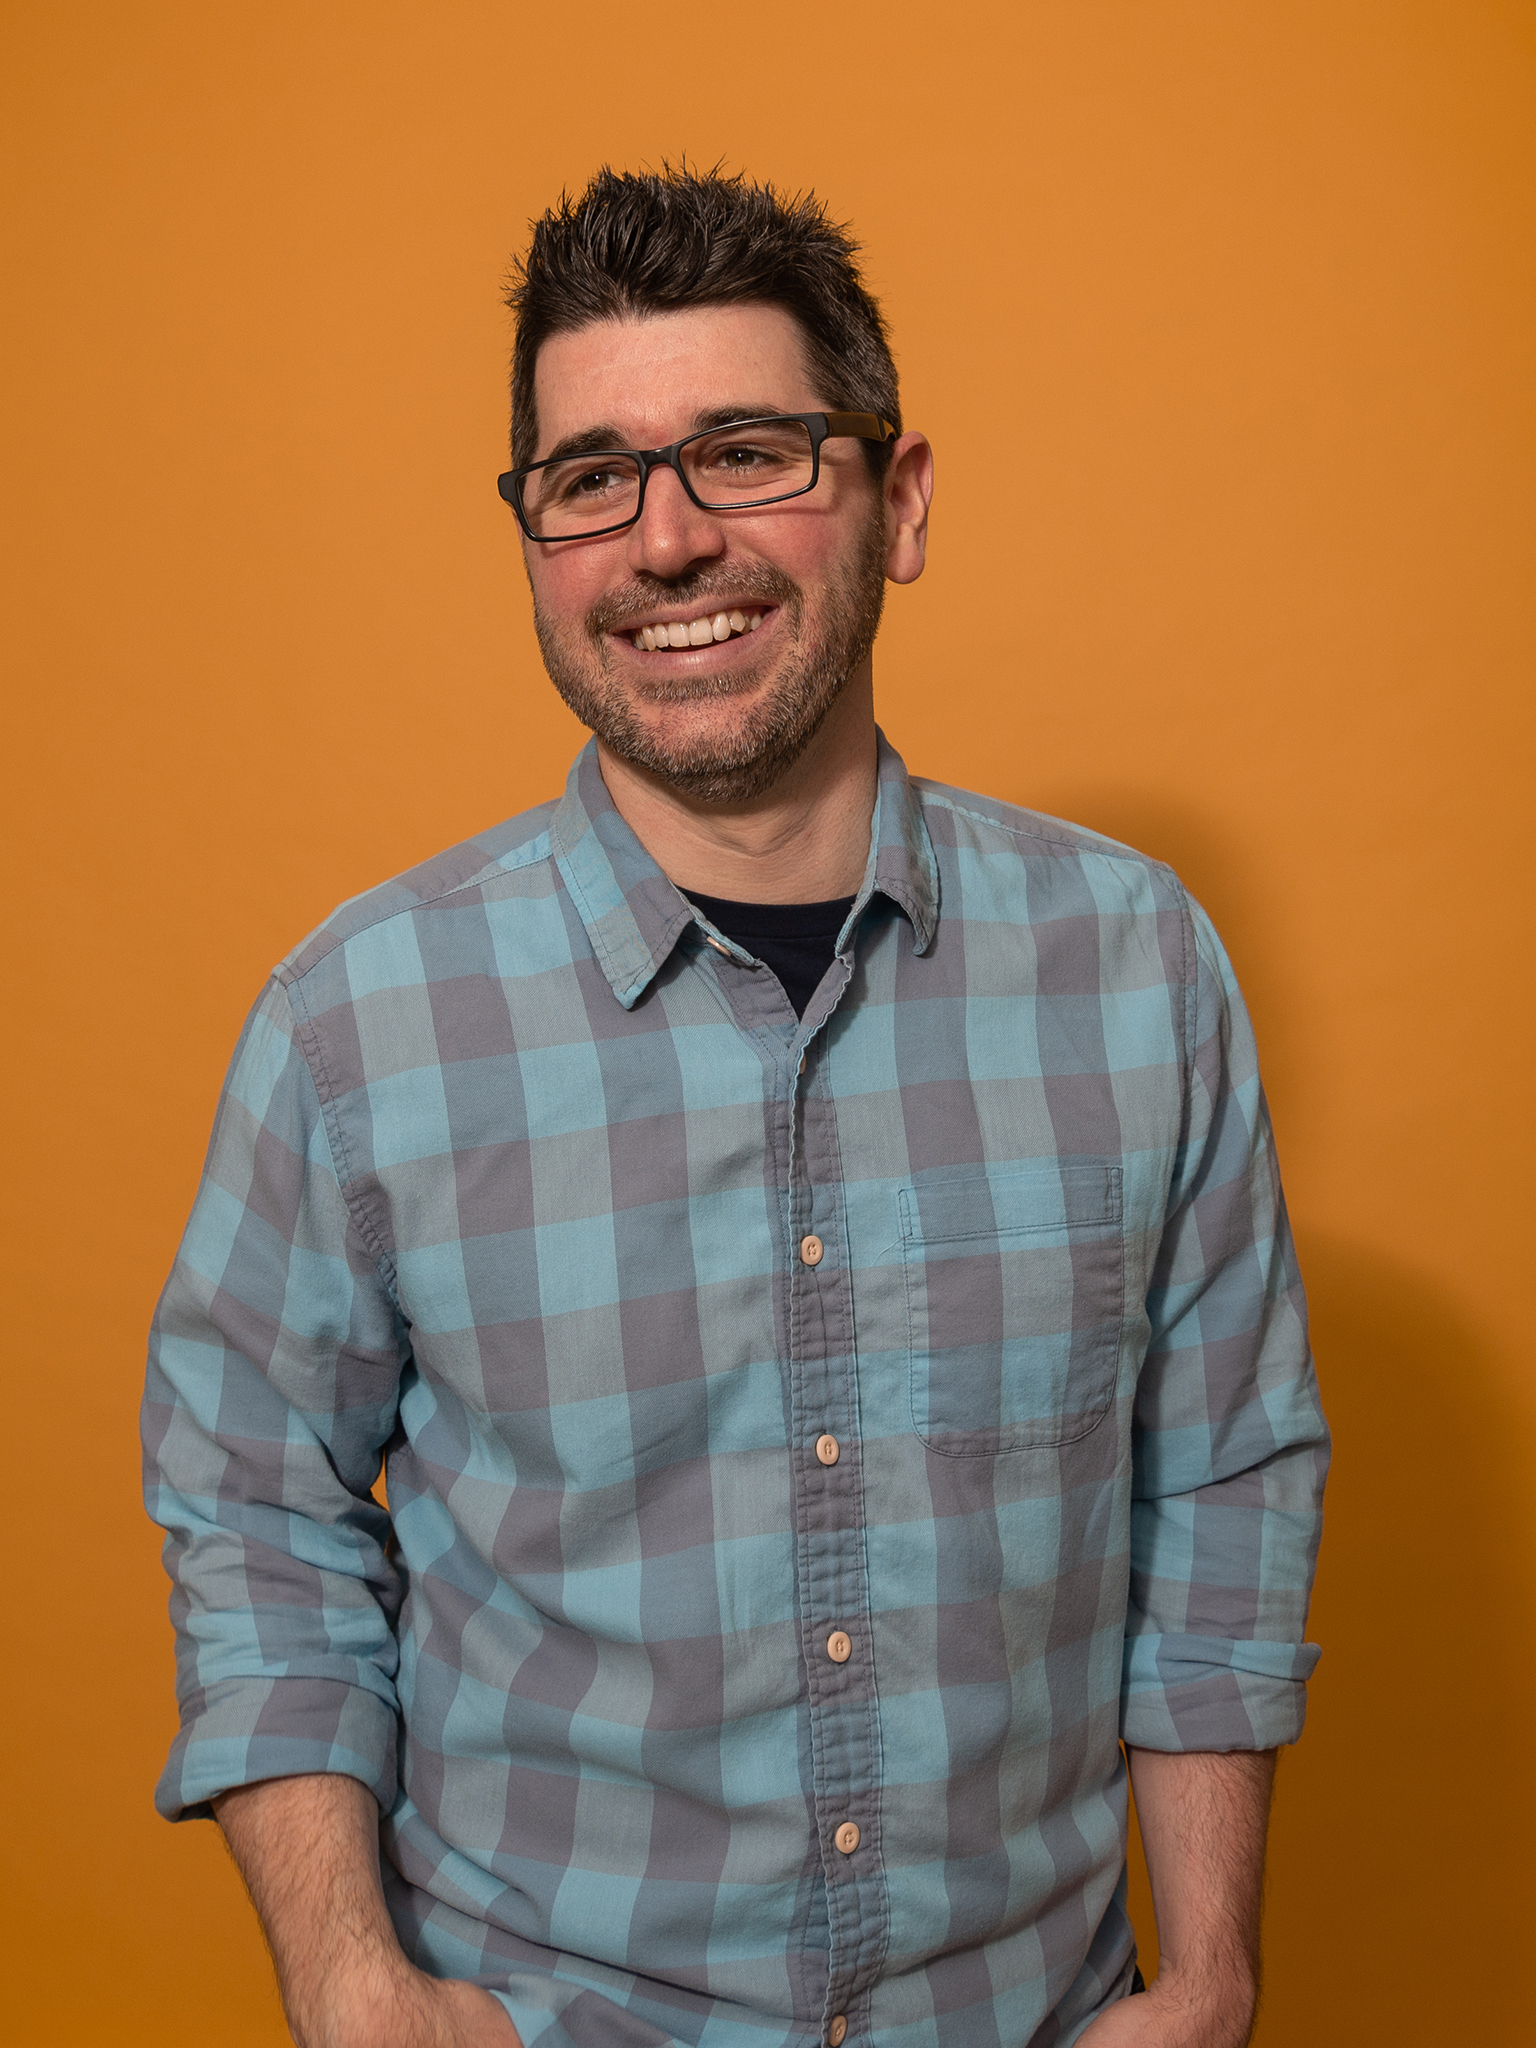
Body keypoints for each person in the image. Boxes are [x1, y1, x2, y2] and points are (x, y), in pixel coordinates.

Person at [142, 165, 1329, 2048]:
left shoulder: (1139, 968)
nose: (669, 540)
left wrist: (1214, 1977)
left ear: (900, 501)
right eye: (590, 479)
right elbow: (256, 1510)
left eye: (749, 452)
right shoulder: (358, 1021)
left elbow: (1224, 1481)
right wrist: (350, 1983)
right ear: (535, 538)